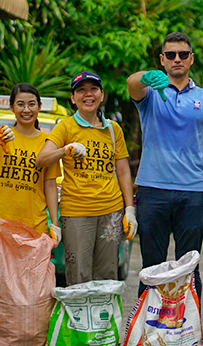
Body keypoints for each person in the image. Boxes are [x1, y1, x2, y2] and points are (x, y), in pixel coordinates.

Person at [126, 32, 203, 300]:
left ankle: (188, 335)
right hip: (153, 190)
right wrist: (147, 76)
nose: (177, 59)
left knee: (189, 267)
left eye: (183, 54)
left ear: (191, 59)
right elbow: (132, 84)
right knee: (152, 267)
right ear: (162, 60)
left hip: (192, 192)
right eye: (170, 55)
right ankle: (148, 335)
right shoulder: (149, 94)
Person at [36, 71, 135, 286]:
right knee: (79, 275)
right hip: (77, 212)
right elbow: (41, 159)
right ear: (73, 98)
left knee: (107, 276)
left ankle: (104, 320)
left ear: (101, 95)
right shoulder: (65, 127)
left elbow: (123, 171)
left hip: (111, 212)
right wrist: (66, 150)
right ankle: (79, 321)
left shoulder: (113, 129)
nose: (87, 95)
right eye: (81, 90)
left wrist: (129, 209)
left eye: (93, 89)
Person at [0, 83, 61, 268]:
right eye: (20, 104)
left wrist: (55, 223)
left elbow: (50, 185)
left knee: (30, 286)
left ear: (39, 107)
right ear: (11, 107)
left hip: (33, 225)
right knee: (2, 285)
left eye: (31, 104)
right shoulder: (3, 135)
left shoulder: (48, 144)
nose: (26, 109)